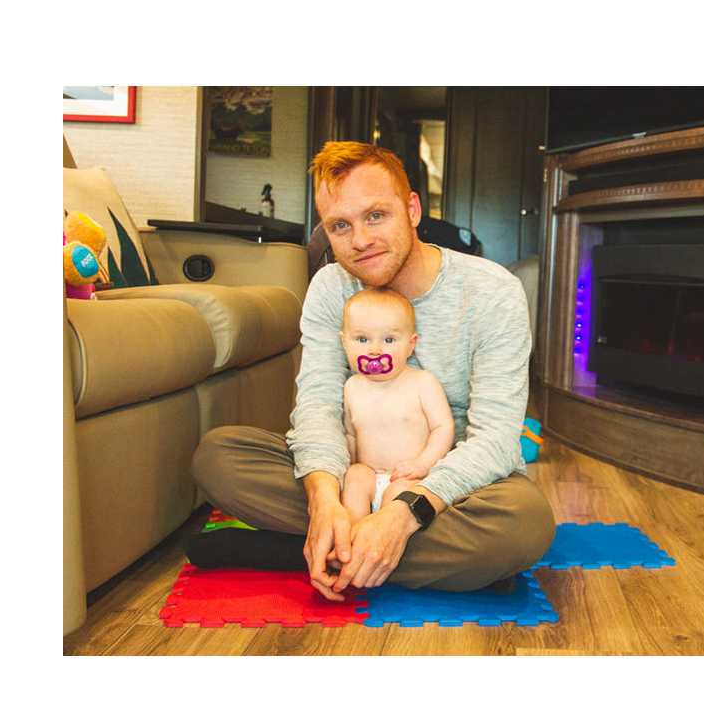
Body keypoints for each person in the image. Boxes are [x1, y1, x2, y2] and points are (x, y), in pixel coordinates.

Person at [188, 141, 556, 602]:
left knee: (525, 524)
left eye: (376, 216)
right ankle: (420, 558)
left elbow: (497, 441)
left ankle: (291, 551)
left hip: (453, 490)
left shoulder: (492, 292)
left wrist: (404, 514)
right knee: (218, 456)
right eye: (340, 226)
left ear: (412, 210)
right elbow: (318, 404)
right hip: (355, 477)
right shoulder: (329, 287)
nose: (360, 240)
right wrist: (324, 502)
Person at [337, 286, 455, 524]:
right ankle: (352, 532)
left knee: (398, 495)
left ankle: (379, 533)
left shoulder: (423, 383)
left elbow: (443, 428)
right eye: (362, 339)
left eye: (389, 340)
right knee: (354, 476)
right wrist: (347, 464)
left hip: (410, 477)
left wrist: (422, 464)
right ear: (345, 343)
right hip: (368, 474)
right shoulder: (351, 387)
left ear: (410, 345)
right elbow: (350, 433)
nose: (374, 350)